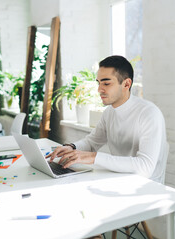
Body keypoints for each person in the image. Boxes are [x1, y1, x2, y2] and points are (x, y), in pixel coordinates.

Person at [47, 55, 167, 183]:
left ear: (126, 84)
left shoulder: (149, 113)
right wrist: (72, 147)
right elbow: (92, 142)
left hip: (146, 187)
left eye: (106, 83)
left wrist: (94, 158)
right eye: (99, 83)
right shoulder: (109, 112)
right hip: (118, 179)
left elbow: (145, 168)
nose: (99, 89)